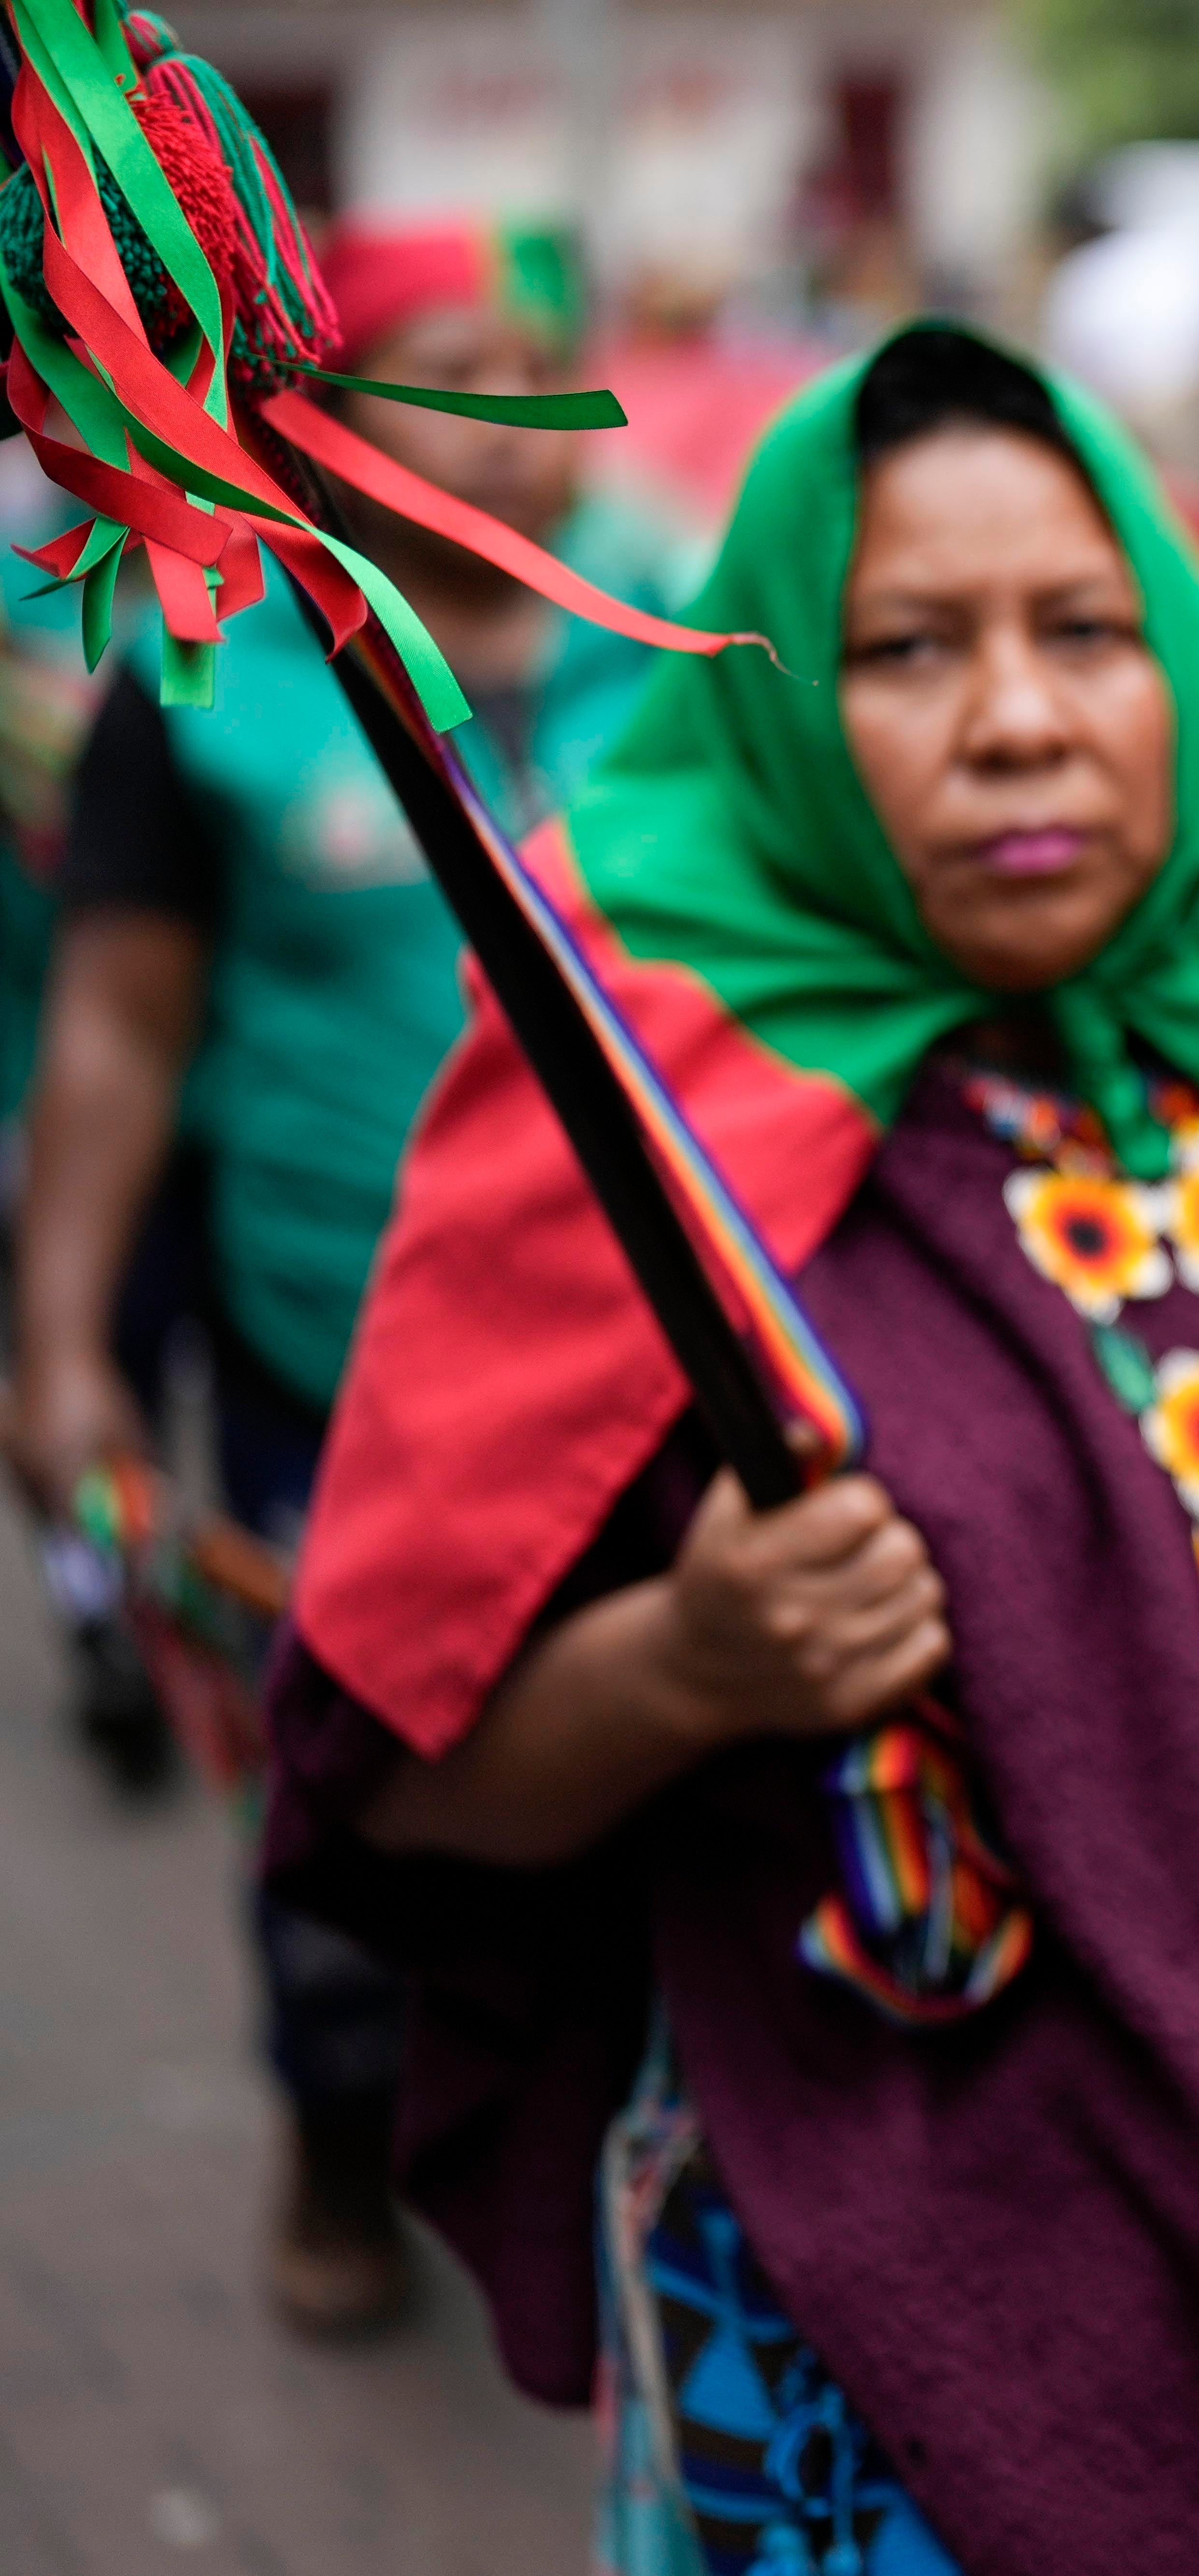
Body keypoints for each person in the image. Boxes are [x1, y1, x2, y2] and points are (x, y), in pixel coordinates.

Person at [258, 324, 1199, 2573]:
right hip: (892, 2364)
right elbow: (392, 1780)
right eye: (906, 646)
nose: (1017, 717)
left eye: (1085, 633)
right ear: (765, 696)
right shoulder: (624, 1105)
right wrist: (689, 1663)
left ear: (1183, 667)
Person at [6, 214, 685, 2338]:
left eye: (535, 369)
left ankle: (628, 2152)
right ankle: (333, 2125)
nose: (506, 424)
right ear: (322, 411)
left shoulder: (687, 641)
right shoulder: (214, 675)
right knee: (354, 1767)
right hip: (337, 1361)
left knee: (653, 1767)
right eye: (444, 367)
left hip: (666, 1356)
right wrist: (58, 1350)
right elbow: (117, 1022)